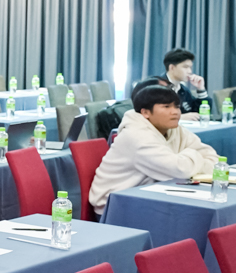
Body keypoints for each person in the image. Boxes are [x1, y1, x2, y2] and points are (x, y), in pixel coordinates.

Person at [88, 84, 218, 215]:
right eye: (166, 107)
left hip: (149, 197)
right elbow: (180, 170)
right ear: (145, 112)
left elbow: (212, 158)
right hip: (115, 206)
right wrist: (193, 156)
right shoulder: (136, 136)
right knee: (193, 215)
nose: (175, 112)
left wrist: (187, 162)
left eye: (177, 106)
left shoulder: (174, 128)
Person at [155, 49, 210, 114]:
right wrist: (180, 117)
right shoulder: (155, 86)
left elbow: (199, 113)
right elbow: (153, 113)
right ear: (172, 68)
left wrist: (201, 89)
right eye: (185, 67)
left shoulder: (184, 90)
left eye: (190, 67)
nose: (189, 71)